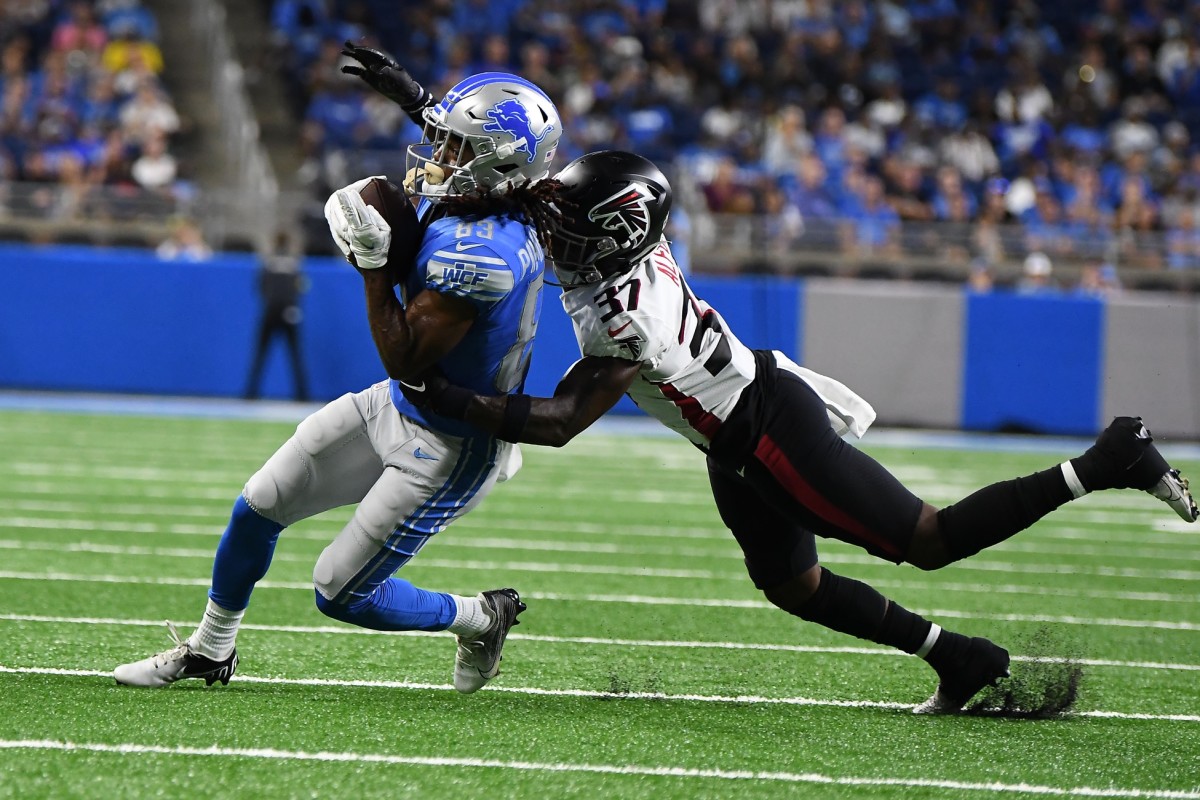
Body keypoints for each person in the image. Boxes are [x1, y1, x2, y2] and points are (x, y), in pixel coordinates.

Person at [401, 150, 1199, 714]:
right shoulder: (622, 249)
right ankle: (960, 657)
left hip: (764, 432)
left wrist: (445, 392)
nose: (558, 234)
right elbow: (525, 189)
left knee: (929, 538)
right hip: (734, 429)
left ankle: (1108, 460)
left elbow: (560, 421)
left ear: (614, 237)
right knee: (793, 587)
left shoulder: (625, 314)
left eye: (577, 226)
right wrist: (429, 115)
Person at [113, 51, 565, 695]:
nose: (436, 155)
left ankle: (482, 615)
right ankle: (211, 649)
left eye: (456, 147)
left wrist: (375, 265)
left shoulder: (487, 254)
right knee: (258, 506)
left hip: (450, 444)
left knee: (339, 591)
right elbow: (480, 160)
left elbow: (404, 353)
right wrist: (414, 99)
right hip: (400, 404)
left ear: (495, 166)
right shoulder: (495, 189)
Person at [245, 229, 310, 402]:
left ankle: (250, 393)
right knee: (295, 354)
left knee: (261, 352)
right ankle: (302, 394)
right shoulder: (294, 263)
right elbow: (299, 287)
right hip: (289, 311)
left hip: (271, 311)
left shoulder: (268, 262)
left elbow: (261, 286)